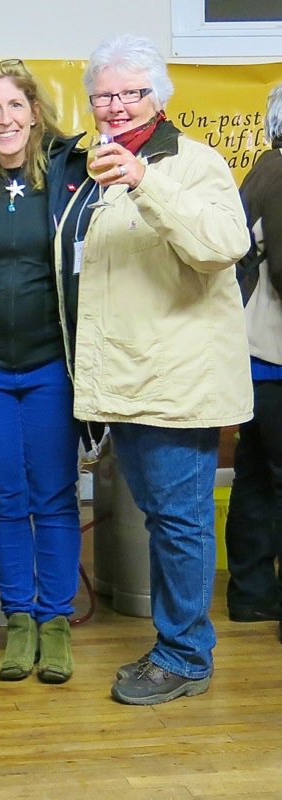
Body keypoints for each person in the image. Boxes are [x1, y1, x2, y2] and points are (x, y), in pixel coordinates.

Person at [55, 33, 252, 705]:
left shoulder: (191, 163)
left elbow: (221, 245)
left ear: (158, 98)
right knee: (162, 515)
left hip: (176, 382)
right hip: (123, 383)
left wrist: (145, 182)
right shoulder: (91, 169)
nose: (113, 106)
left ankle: (186, 656)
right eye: (101, 95)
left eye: (128, 93)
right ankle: (178, 646)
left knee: (179, 520)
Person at [0, 59, 85, 684]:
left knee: (54, 495)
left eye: (15, 106)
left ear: (34, 111)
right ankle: (19, 621)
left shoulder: (68, 170)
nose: (5, 119)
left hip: (52, 362)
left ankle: (55, 622)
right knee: (4, 496)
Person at [224, 84, 282, 627]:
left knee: (257, 479)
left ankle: (252, 593)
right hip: (277, 357)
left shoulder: (265, 167)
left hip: (255, 356)